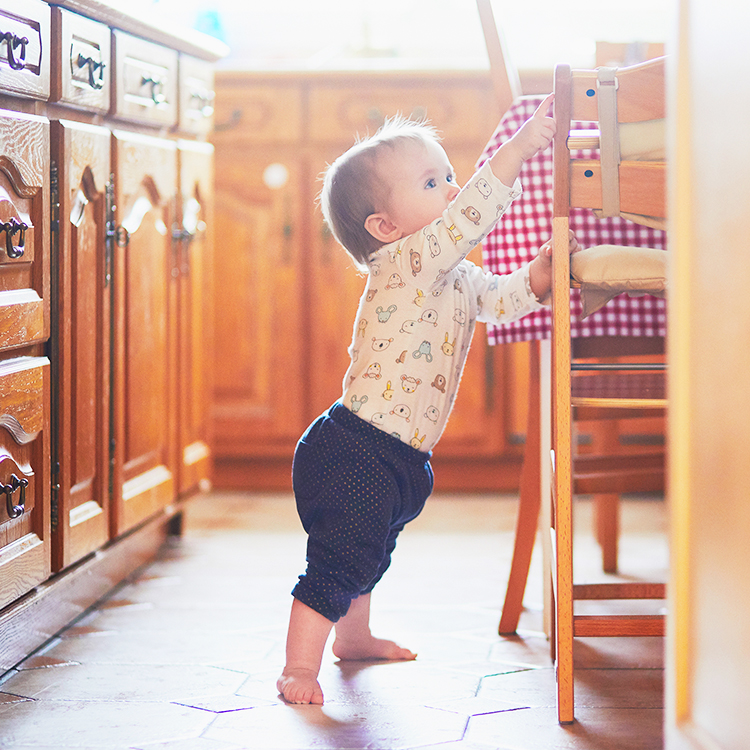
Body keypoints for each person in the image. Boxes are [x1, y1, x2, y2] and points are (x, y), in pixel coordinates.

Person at [277, 94, 578, 705]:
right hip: (355, 448)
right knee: (340, 560)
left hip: (397, 455)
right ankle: (297, 670)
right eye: (433, 181)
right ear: (384, 228)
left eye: (450, 176)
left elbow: (499, 299)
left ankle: (352, 639)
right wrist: (517, 150)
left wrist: (539, 278)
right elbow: (466, 220)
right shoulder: (405, 261)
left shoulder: (453, 275)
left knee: (370, 553)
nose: (451, 189)